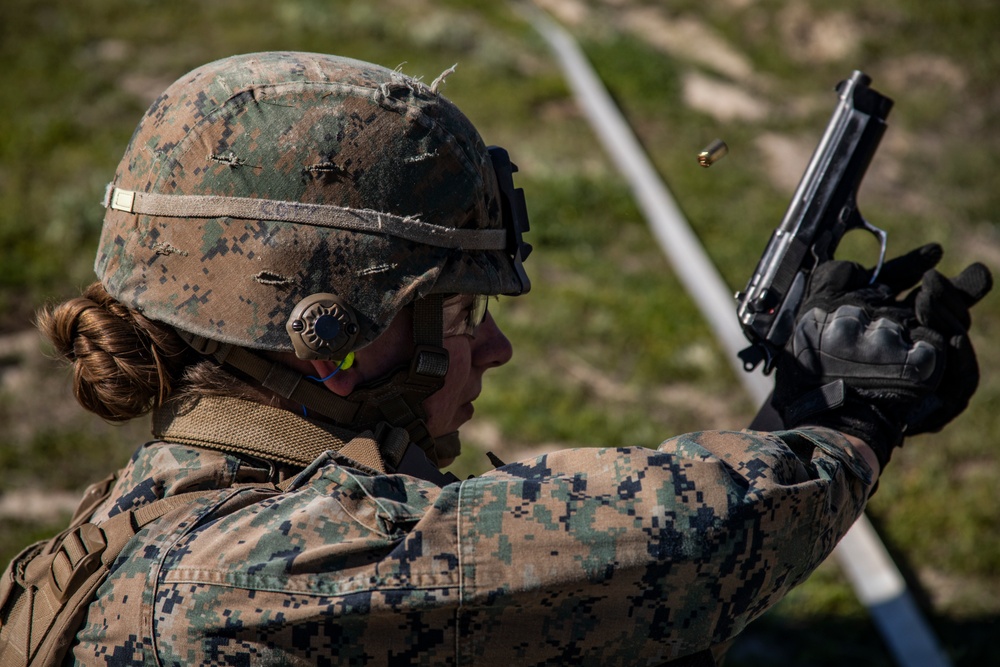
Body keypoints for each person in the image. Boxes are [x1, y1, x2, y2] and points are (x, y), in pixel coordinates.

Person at [0, 51, 990, 666]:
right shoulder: (253, 585)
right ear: (330, 339)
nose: (496, 346)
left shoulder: (141, 514)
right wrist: (851, 419)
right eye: (461, 310)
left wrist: (811, 415)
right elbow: (651, 551)